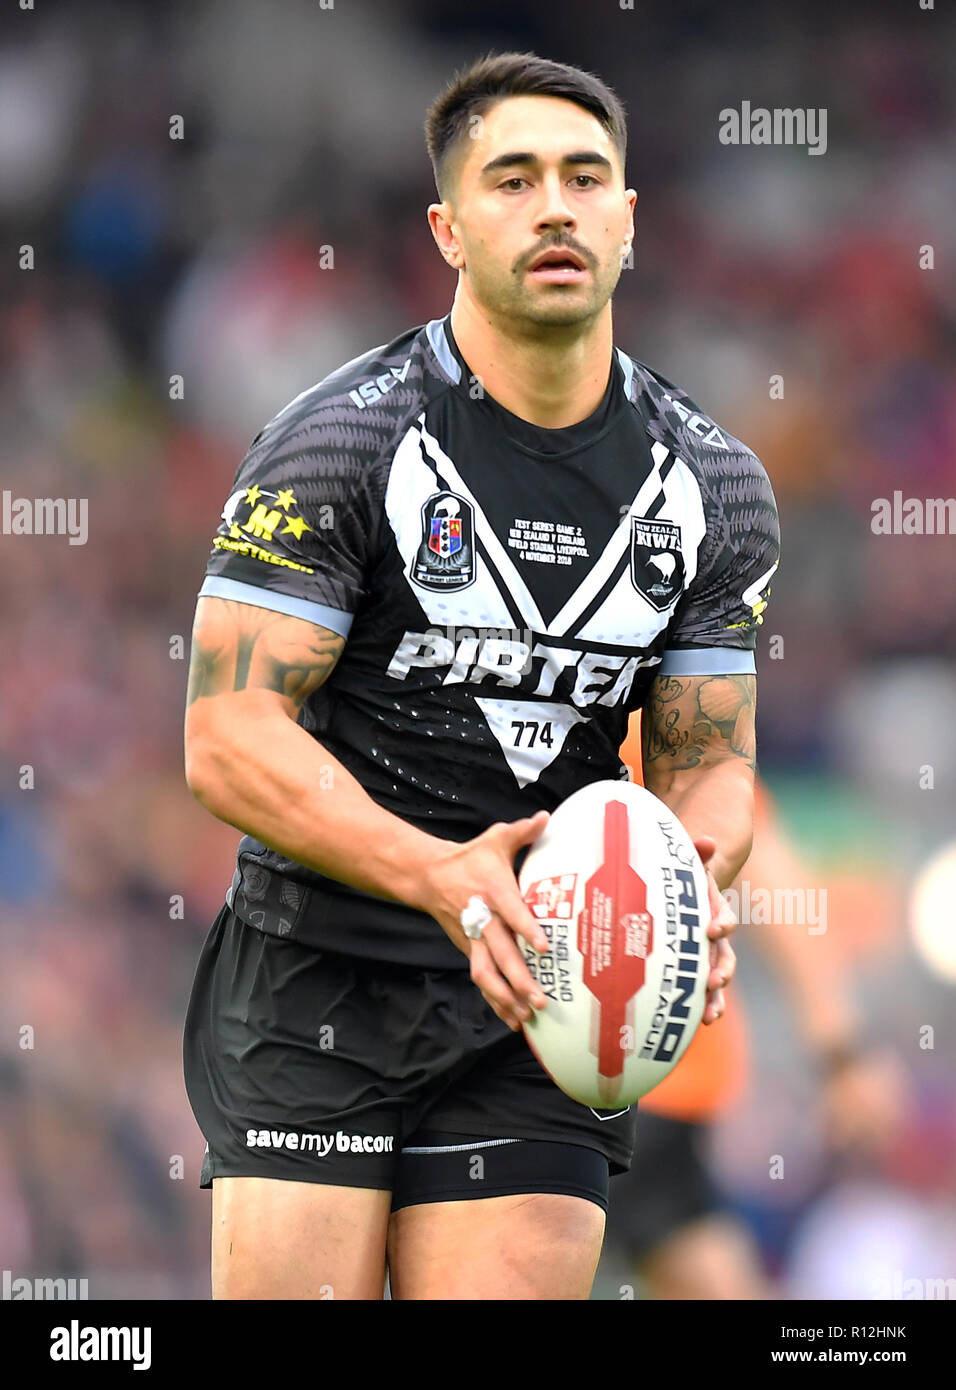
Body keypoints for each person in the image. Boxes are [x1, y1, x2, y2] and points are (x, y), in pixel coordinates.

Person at [181, 50, 780, 1301]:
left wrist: (692, 872)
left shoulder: (714, 487)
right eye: (512, 181)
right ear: (449, 229)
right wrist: (445, 878)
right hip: (317, 980)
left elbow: (709, 763)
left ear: (627, 219)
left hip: (540, 997)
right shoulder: (339, 440)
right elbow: (228, 735)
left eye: (583, 177)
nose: (554, 206)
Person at [607, 713, 907, 1299]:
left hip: (626, 1069)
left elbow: (764, 862)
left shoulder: (624, 702)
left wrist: (842, 1047)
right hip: (641, 1067)